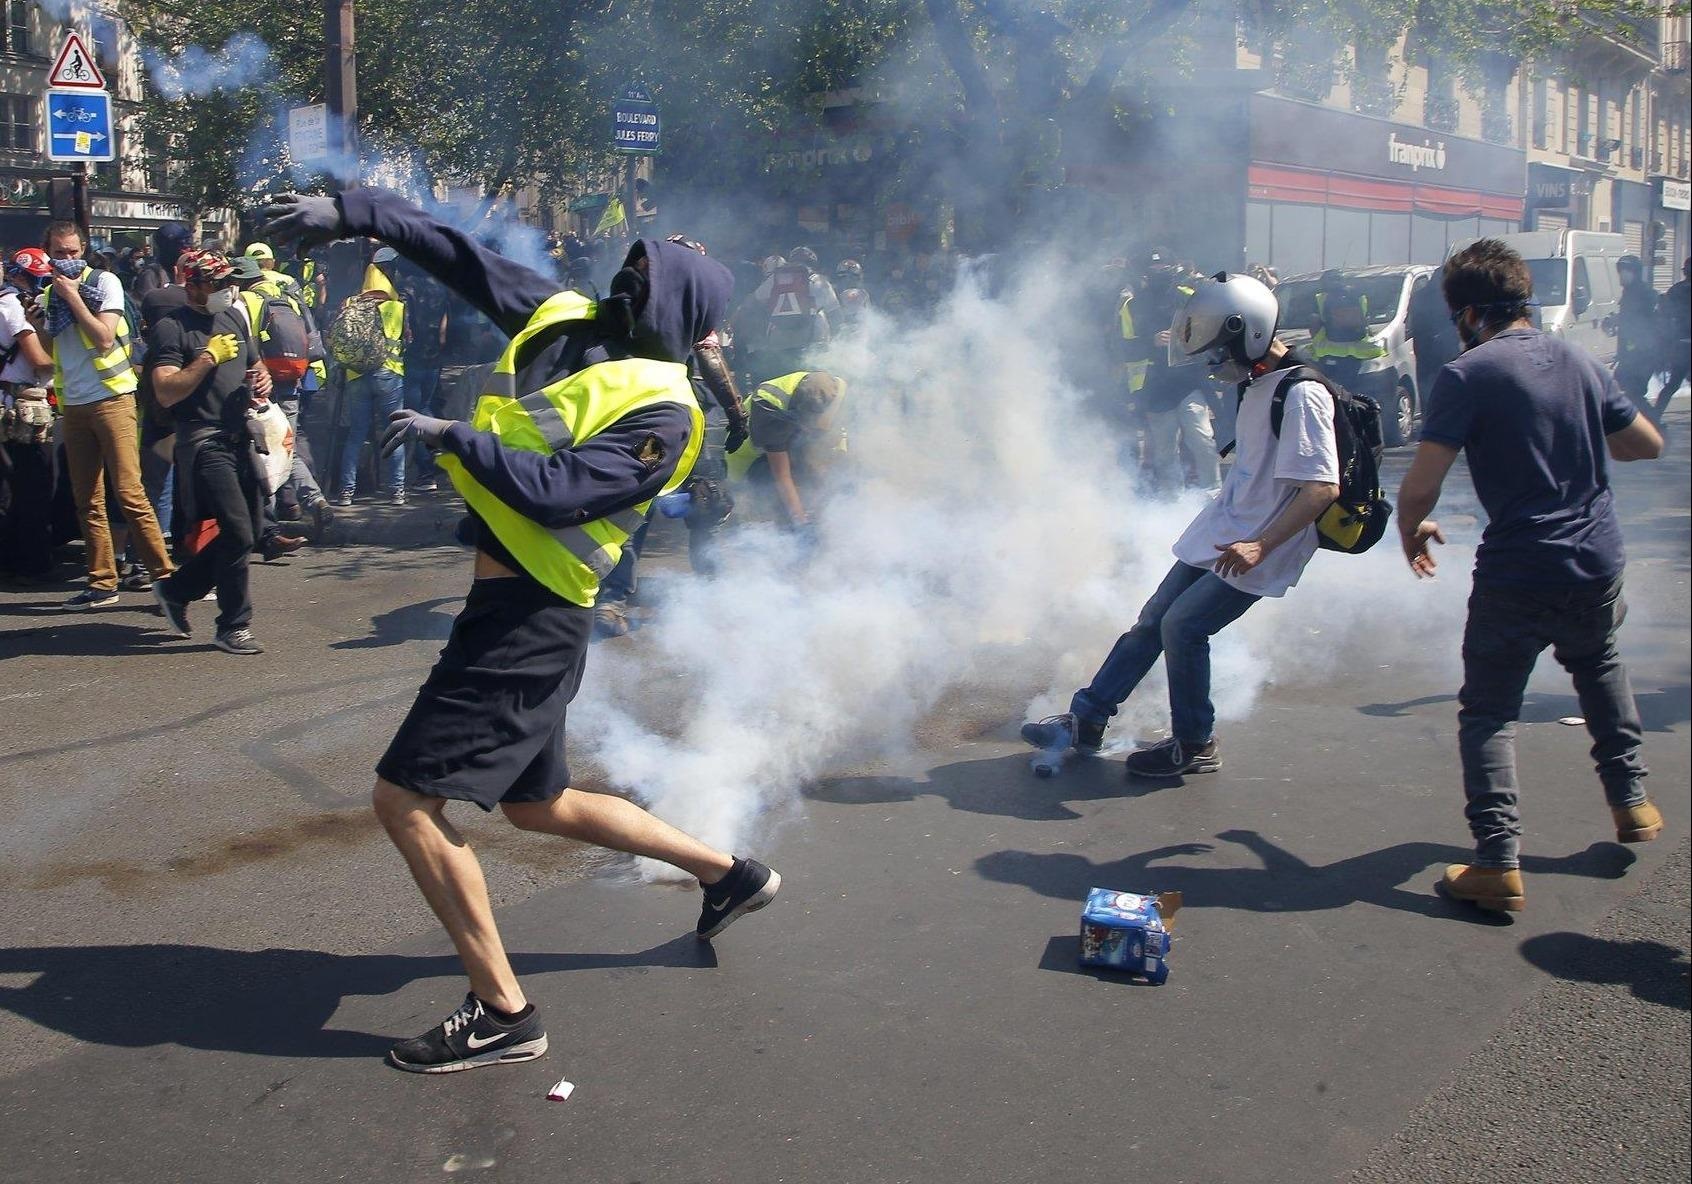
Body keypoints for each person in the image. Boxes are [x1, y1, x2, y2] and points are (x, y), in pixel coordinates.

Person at [258, 187, 782, 1074]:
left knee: (405, 801)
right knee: (538, 804)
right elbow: (454, 252)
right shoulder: (567, 319)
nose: (628, 279)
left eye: (648, 275)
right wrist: (353, 211)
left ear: (682, 305)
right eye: (634, 263)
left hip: (532, 618)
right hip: (514, 610)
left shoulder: (671, 416)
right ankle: (729, 874)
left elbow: (562, 491)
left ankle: (504, 1012)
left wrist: (458, 439)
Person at [1396, 238, 1666, 914]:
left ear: (1465, 314)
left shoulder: (1467, 374)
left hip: (1519, 569)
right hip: (1596, 559)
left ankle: (1497, 860)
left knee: (1488, 711)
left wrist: (1411, 532)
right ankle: (1631, 803)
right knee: (1598, 664)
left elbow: (1421, 485)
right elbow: (1644, 444)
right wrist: (1569, 426)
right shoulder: (1580, 360)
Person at [1023, 272, 1340, 778]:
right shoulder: (1260, 382)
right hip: (1224, 529)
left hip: (1261, 541)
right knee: (1154, 619)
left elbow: (1322, 489)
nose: (1214, 366)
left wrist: (1260, 545)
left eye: (1220, 353)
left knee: (1183, 627)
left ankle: (1195, 744)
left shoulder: (1303, 394)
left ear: (1249, 332)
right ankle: (1087, 719)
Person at [42, 220, 175, 610]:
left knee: (130, 493)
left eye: (73, 251)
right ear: (48, 251)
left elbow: (103, 337)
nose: (67, 259)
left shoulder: (102, 283)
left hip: (113, 399)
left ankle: (165, 578)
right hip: (76, 405)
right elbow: (49, 351)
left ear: (83, 249)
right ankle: (102, 582)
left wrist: (71, 298)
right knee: (89, 500)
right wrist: (40, 315)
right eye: (59, 253)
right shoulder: (52, 293)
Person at [147, 251, 275, 655]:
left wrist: (262, 379)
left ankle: (176, 589)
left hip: (240, 434)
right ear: (193, 285)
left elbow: (257, 365)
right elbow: (165, 391)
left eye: (229, 282)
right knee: (236, 530)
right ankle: (233, 625)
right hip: (202, 440)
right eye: (217, 284)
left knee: (252, 533)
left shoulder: (235, 317)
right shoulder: (172, 329)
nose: (226, 290)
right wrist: (207, 358)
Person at [724, 370, 845, 535]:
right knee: (777, 503)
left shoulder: (836, 394)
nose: (808, 427)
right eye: (806, 422)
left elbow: (827, 461)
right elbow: (782, 476)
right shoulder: (769, 406)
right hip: (754, 460)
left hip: (792, 447)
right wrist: (801, 522)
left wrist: (828, 507)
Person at [332, 247, 408, 506]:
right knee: (395, 431)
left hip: (356, 374)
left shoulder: (350, 304)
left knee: (356, 434)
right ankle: (396, 489)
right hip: (389, 375)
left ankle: (346, 492)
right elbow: (407, 338)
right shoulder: (397, 307)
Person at [0, 250, 59, 578]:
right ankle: (31, 561)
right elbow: (41, 361)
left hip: (7, 399)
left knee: (10, 485)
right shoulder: (15, 308)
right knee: (34, 483)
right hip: (22, 405)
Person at [1612, 254, 1658, 409]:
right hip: (1630, 355)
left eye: (1626, 271)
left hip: (1643, 355)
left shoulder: (1645, 294)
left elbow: (1643, 323)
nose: (1622, 275)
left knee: (1633, 394)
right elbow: (1627, 322)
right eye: (1620, 271)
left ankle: (1653, 425)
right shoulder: (1629, 293)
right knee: (1620, 391)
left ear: (1635, 272)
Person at [1653, 256, 1689, 419]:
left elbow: (1663, 317)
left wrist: (1666, 344)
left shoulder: (1675, 290)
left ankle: (1655, 415)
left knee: (1672, 384)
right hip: (1681, 345)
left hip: (1680, 346)